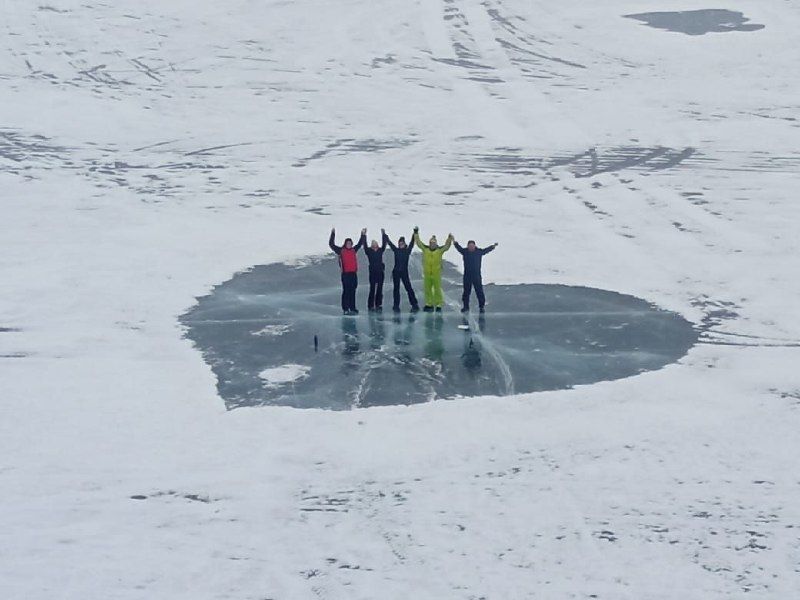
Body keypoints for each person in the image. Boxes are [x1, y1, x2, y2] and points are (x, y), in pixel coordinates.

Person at [454, 239, 498, 313]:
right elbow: (459, 248)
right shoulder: (465, 252)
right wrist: (455, 243)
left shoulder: (478, 252)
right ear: (468, 246)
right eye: (469, 246)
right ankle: (466, 306)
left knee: (479, 291)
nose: (471, 247)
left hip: (476, 276)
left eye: (472, 246)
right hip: (467, 276)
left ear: (474, 246)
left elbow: (486, 250)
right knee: (466, 292)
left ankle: (481, 306)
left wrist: (493, 246)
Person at [329, 228, 366, 315]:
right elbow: (331, 244)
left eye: (350, 243)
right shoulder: (341, 251)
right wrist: (333, 233)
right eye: (348, 243)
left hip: (353, 274)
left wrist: (363, 234)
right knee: (346, 291)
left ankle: (352, 307)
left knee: (353, 291)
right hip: (345, 274)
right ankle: (345, 308)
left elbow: (360, 243)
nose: (349, 244)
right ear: (345, 244)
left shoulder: (353, 250)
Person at [415, 230, 453, 312]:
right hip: (427, 273)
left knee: (437, 289)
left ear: (436, 243)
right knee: (427, 289)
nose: (432, 244)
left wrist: (449, 239)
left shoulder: (439, 250)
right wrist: (416, 234)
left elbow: (447, 246)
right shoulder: (425, 249)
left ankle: (439, 303)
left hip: (436, 273)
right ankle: (429, 303)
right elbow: (418, 243)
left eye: (434, 243)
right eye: (431, 243)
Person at [383, 227, 419, 313]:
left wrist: (415, 232)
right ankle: (396, 305)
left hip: (404, 272)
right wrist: (384, 235)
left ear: (404, 244)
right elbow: (389, 243)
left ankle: (414, 304)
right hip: (396, 272)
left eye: (402, 243)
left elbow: (412, 242)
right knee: (396, 289)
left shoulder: (407, 251)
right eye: (399, 243)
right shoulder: (396, 250)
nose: (400, 245)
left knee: (408, 288)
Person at [363, 233, 387, 311]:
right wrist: (364, 235)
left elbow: (384, 244)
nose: (374, 245)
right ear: (371, 245)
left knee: (380, 288)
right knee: (372, 289)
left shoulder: (380, 250)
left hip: (380, 272)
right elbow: (365, 246)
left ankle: (378, 304)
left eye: (375, 243)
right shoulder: (369, 251)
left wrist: (383, 234)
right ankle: (370, 305)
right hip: (373, 273)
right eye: (373, 244)